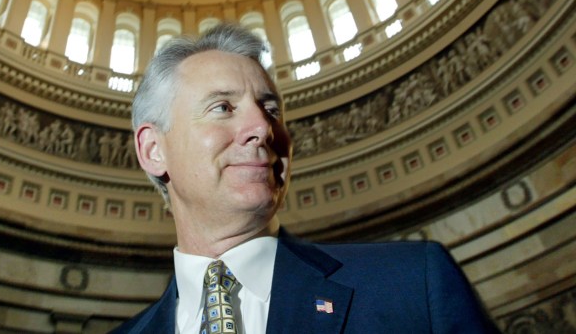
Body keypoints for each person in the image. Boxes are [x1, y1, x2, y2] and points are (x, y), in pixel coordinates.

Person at [113, 24, 498, 333]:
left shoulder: (415, 285)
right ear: (152, 150)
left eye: (271, 110)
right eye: (223, 107)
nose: (262, 129)